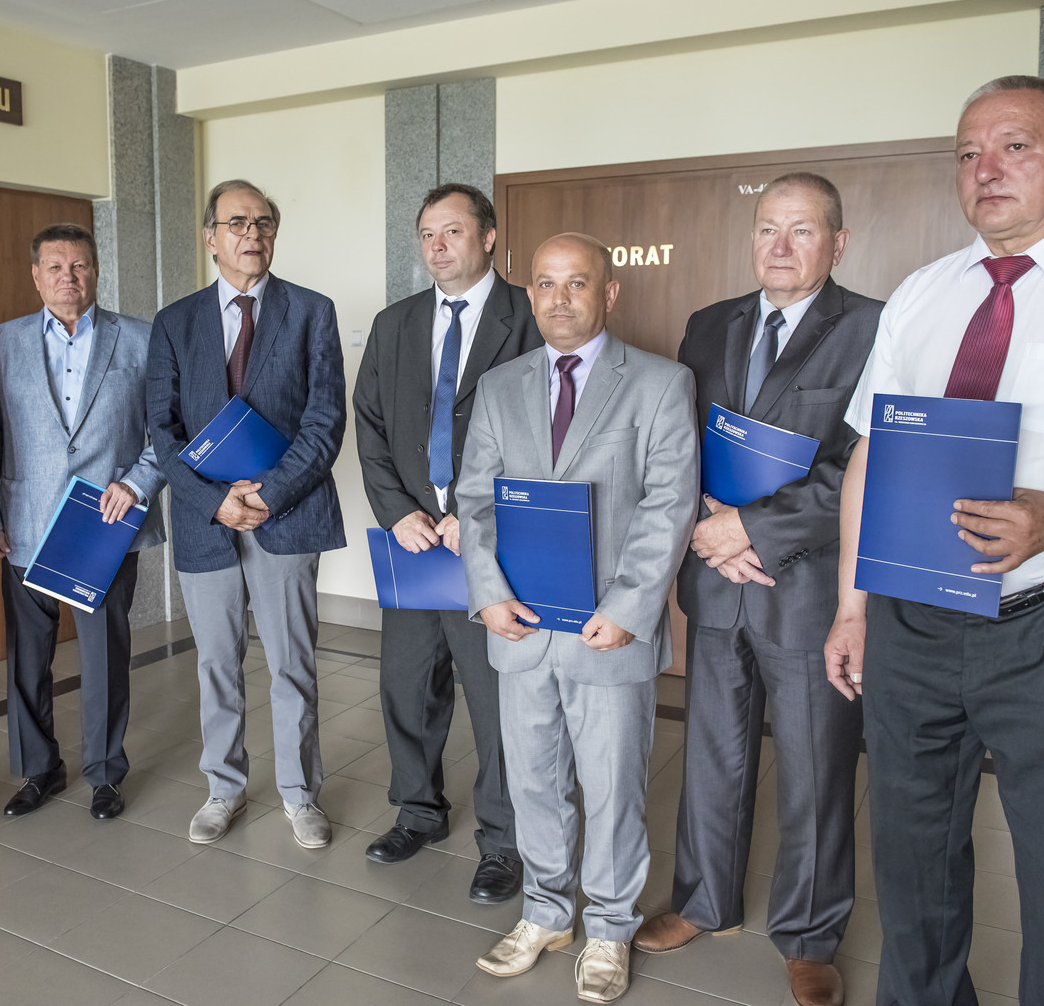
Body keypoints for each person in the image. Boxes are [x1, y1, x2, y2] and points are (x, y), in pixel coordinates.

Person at [824, 76, 1044, 1004]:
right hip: (913, 614)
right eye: (968, 153)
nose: (987, 170)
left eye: (1016, 146)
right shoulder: (923, 294)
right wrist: (852, 606)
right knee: (910, 853)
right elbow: (871, 454)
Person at [635, 173, 880, 1006]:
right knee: (712, 753)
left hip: (809, 590)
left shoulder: (874, 328)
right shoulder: (710, 324)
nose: (780, 246)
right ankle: (703, 901)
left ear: (837, 243)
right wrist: (708, 524)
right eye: (768, 228)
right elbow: (678, 440)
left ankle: (809, 935)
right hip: (715, 577)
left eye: (801, 230)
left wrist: (754, 529)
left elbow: (865, 466)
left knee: (815, 768)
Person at [459, 232, 698, 1003]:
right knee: (533, 783)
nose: (559, 299)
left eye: (577, 283)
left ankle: (611, 927)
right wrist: (488, 593)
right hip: (522, 627)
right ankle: (545, 912)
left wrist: (630, 608)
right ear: (528, 293)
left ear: (609, 292)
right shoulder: (499, 386)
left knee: (613, 787)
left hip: (608, 631)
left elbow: (670, 503)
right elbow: (475, 499)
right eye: (545, 283)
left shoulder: (660, 383)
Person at [352, 182, 540, 903]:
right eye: (427, 233)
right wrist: (396, 510)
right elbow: (369, 423)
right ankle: (418, 811)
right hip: (411, 540)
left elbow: (546, 429)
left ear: (488, 237)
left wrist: (475, 510)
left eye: (453, 231)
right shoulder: (394, 323)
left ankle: (504, 840)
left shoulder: (528, 316)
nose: (437, 246)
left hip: (490, 544)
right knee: (407, 685)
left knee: (494, 699)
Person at [146, 179, 345, 849]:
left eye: (263, 222)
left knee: (292, 663)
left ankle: (299, 793)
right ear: (211, 237)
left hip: (285, 514)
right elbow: (162, 430)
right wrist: (216, 500)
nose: (251, 234)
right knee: (216, 664)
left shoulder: (311, 311)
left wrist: (268, 493)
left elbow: (324, 419)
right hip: (207, 519)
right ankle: (223, 788)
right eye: (236, 223)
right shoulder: (175, 322)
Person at [0, 222, 166, 822]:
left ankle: (105, 773)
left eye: (80, 266)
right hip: (25, 521)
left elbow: (168, 431)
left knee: (105, 655)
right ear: (35, 276)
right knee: (27, 658)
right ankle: (39, 770)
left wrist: (136, 484)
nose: (69, 277)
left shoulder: (141, 339)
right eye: (56, 267)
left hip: (103, 523)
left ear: (96, 271)